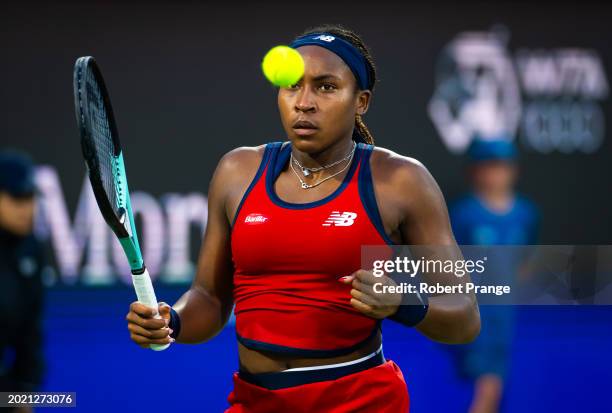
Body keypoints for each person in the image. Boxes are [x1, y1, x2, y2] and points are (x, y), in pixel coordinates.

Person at [126, 24, 480, 412]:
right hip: (254, 400)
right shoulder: (237, 170)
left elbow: (465, 318)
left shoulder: (401, 181)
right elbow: (210, 298)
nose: (304, 102)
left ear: (361, 101)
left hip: (358, 401)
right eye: (292, 85)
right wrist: (171, 321)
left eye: (326, 87)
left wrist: (401, 303)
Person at [448, 138, 538, 413]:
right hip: (475, 314)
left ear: (514, 171)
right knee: (488, 388)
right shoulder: (463, 214)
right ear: (475, 172)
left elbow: (524, 263)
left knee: (496, 389)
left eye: (502, 167)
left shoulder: (526, 213)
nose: (495, 174)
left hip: (507, 318)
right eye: (488, 167)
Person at [0, 151, 45, 413]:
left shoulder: (31, 250)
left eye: (30, 198)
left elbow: (30, 330)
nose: (26, 209)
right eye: (17, 198)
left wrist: (24, 394)